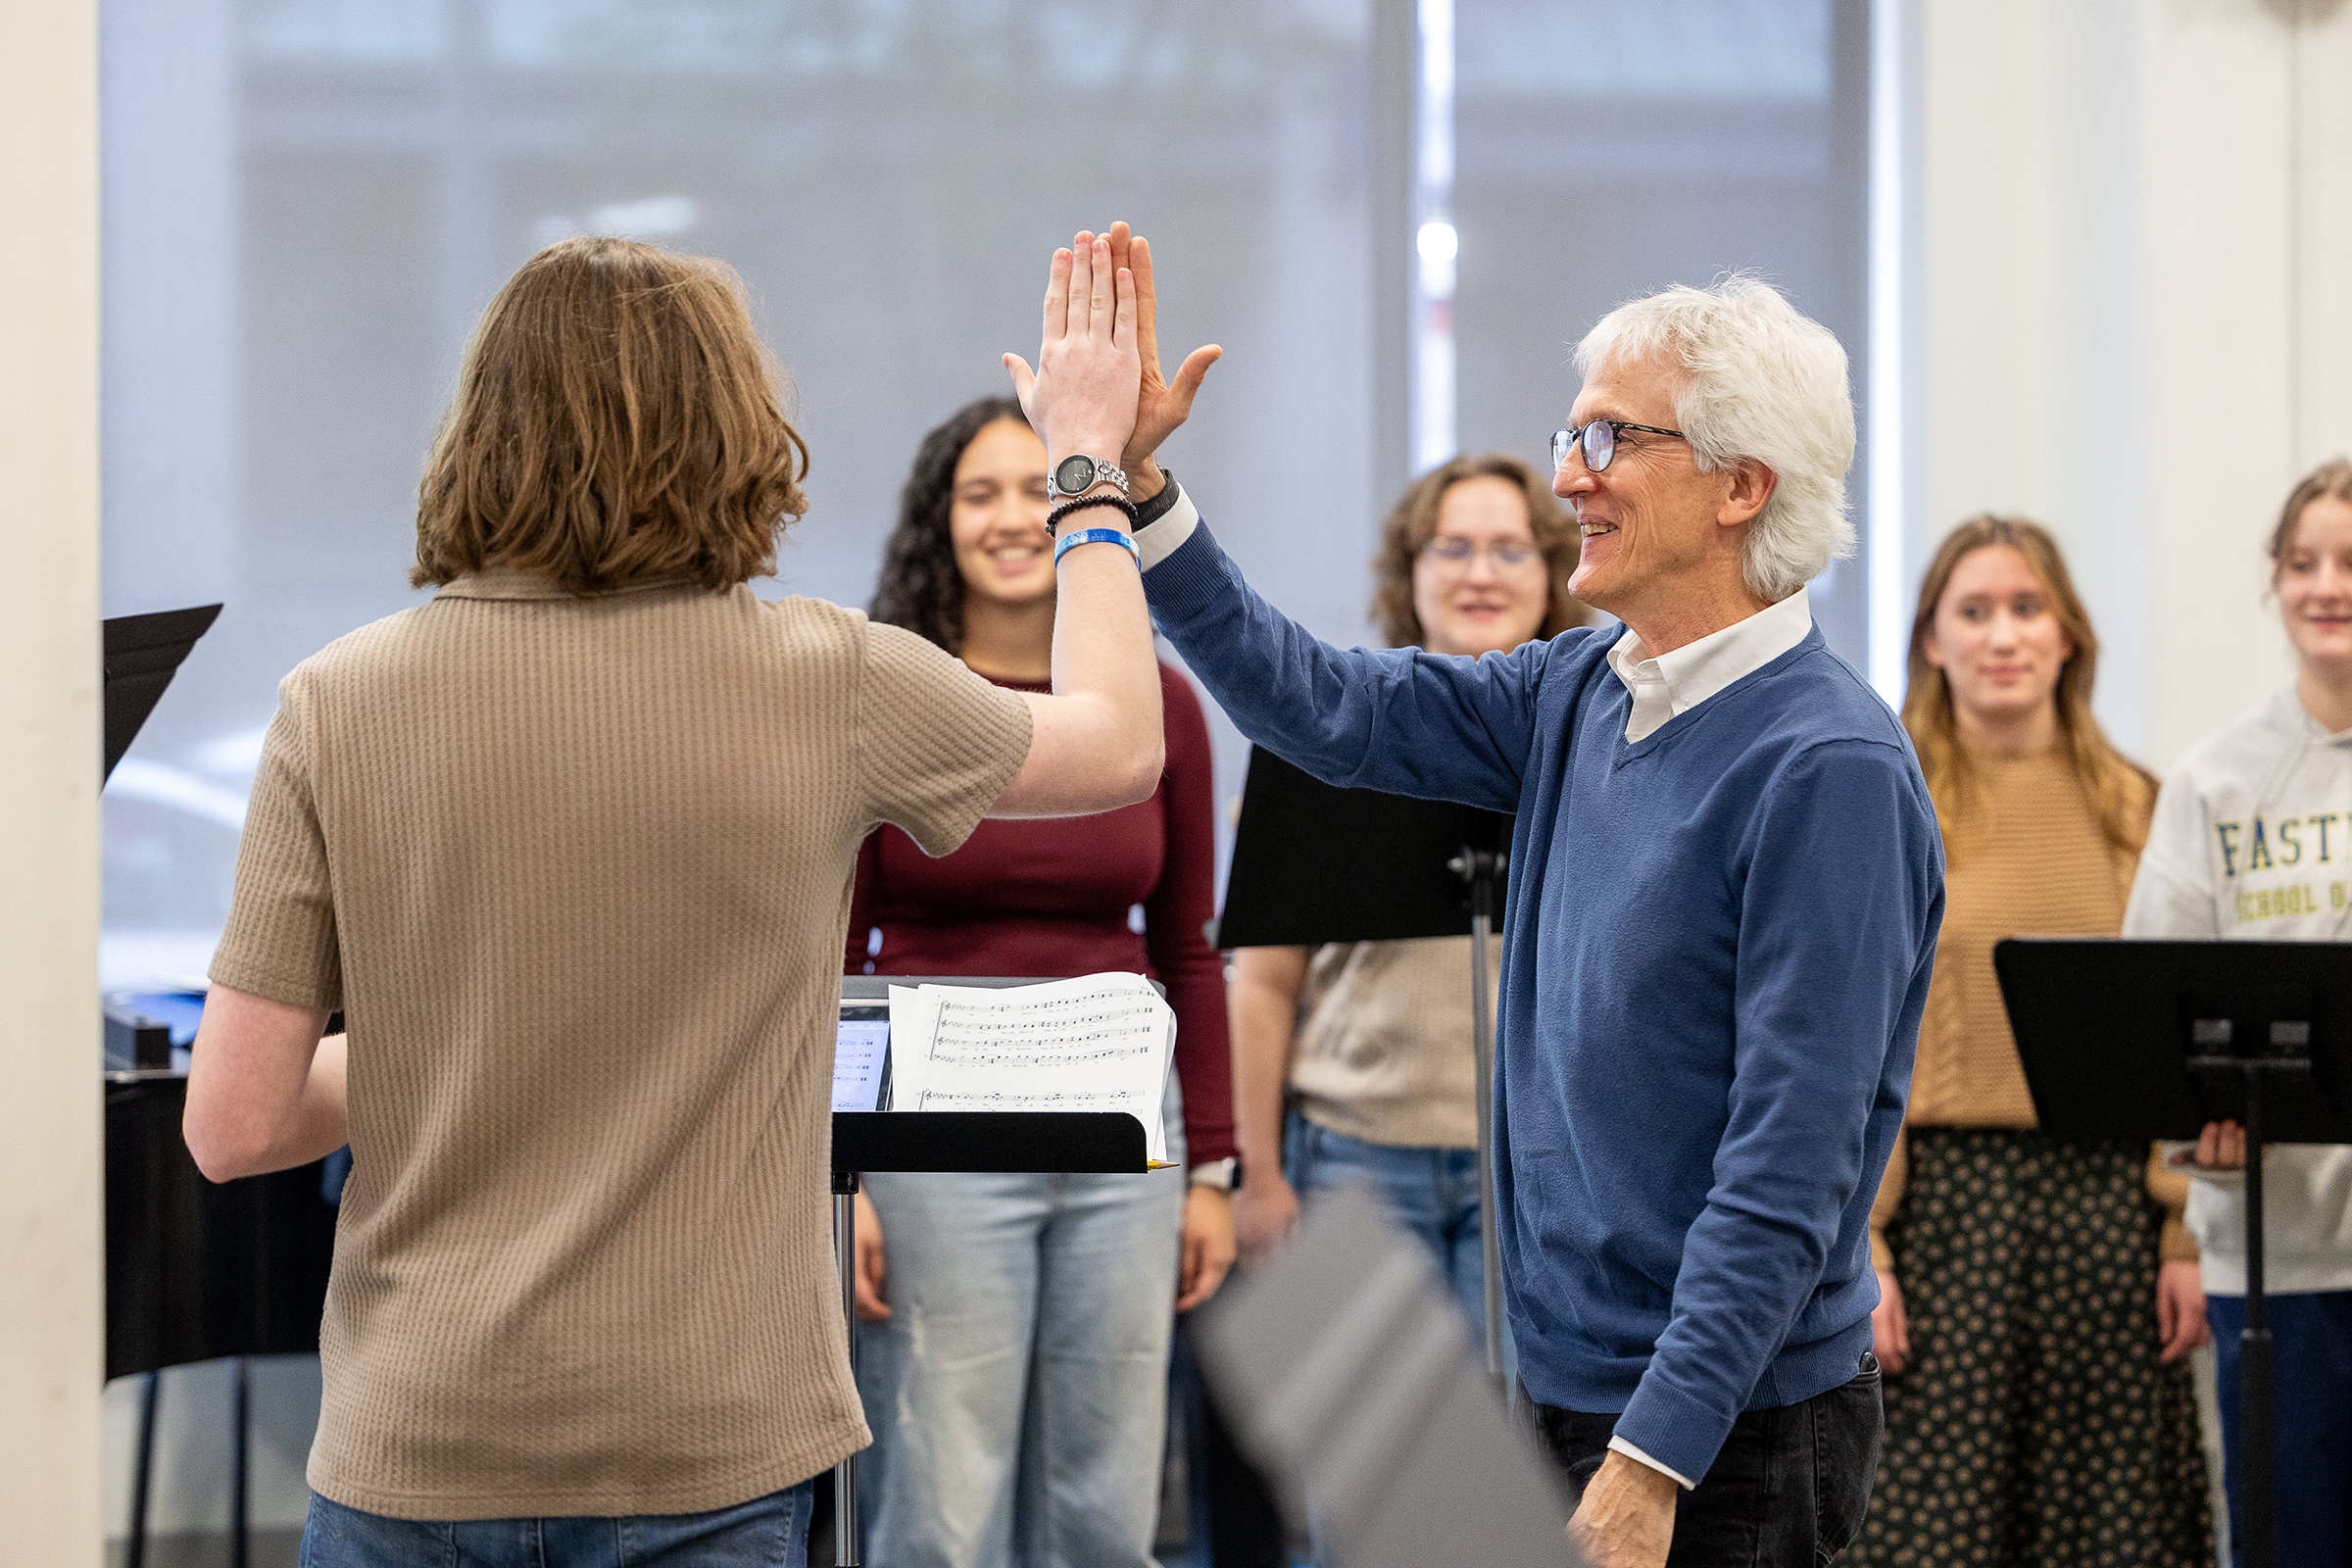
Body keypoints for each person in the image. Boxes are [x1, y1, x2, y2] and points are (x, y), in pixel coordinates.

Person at [179, 229, 1163, 1566]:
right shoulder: (831, 679)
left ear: (480, 430)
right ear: (733, 431)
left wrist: (453, 1052)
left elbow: (233, 1126)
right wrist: (1089, 475)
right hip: (707, 1445)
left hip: (419, 1441)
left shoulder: (333, 703)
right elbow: (1118, 742)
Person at [1066, 232, 1942, 1568]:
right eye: (1572, 432)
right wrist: (1138, 493)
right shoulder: (1580, 685)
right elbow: (1325, 706)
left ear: (1739, 487)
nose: (1567, 475)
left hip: (1724, 1428)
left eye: (1610, 439)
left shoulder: (1828, 770)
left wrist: (1655, 1459)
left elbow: (1791, 1169)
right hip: (1573, 1385)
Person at [843, 391, 1237, 1568]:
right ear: (940, 520)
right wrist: (842, 1172)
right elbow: (827, 957)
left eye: (1038, 488)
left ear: (1078, 516)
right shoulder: (887, 696)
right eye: (981, 493)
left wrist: (1213, 1167)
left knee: (1107, 1510)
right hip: (932, 1141)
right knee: (943, 1509)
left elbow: (1189, 947)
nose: (1014, 517)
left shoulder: (1156, 703)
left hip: (1124, 1136)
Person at [1853, 515, 2212, 1566]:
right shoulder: (1887, 803)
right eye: (1974, 611)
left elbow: (2179, 1033)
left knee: (2113, 1530)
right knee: (1935, 1534)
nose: (2002, 635)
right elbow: (1857, 1044)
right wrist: (1862, 1247)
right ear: (1931, 639)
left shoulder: (2140, 810)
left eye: (2026, 608)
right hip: (1942, 1220)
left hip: (2111, 1212)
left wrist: (2185, 1233)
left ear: (2068, 638)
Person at [1227, 451, 1585, 1348]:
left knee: (1516, 1463)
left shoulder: (1600, 739)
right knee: (1374, 1472)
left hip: (1537, 1169)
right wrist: (1258, 1176)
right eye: (1452, 547)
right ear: (1410, 570)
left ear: (1552, 571)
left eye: (1509, 550)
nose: (1478, 573)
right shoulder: (1335, 729)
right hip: (1355, 1158)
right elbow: (1263, 985)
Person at [2124, 457, 2352, 1567]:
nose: (2328, 585)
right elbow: (2153, 1009)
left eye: (2350, 562)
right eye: (2302, 562)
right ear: (2273, 583)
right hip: (2280, 1261)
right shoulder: (2212, 781)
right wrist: (2194, 1121)